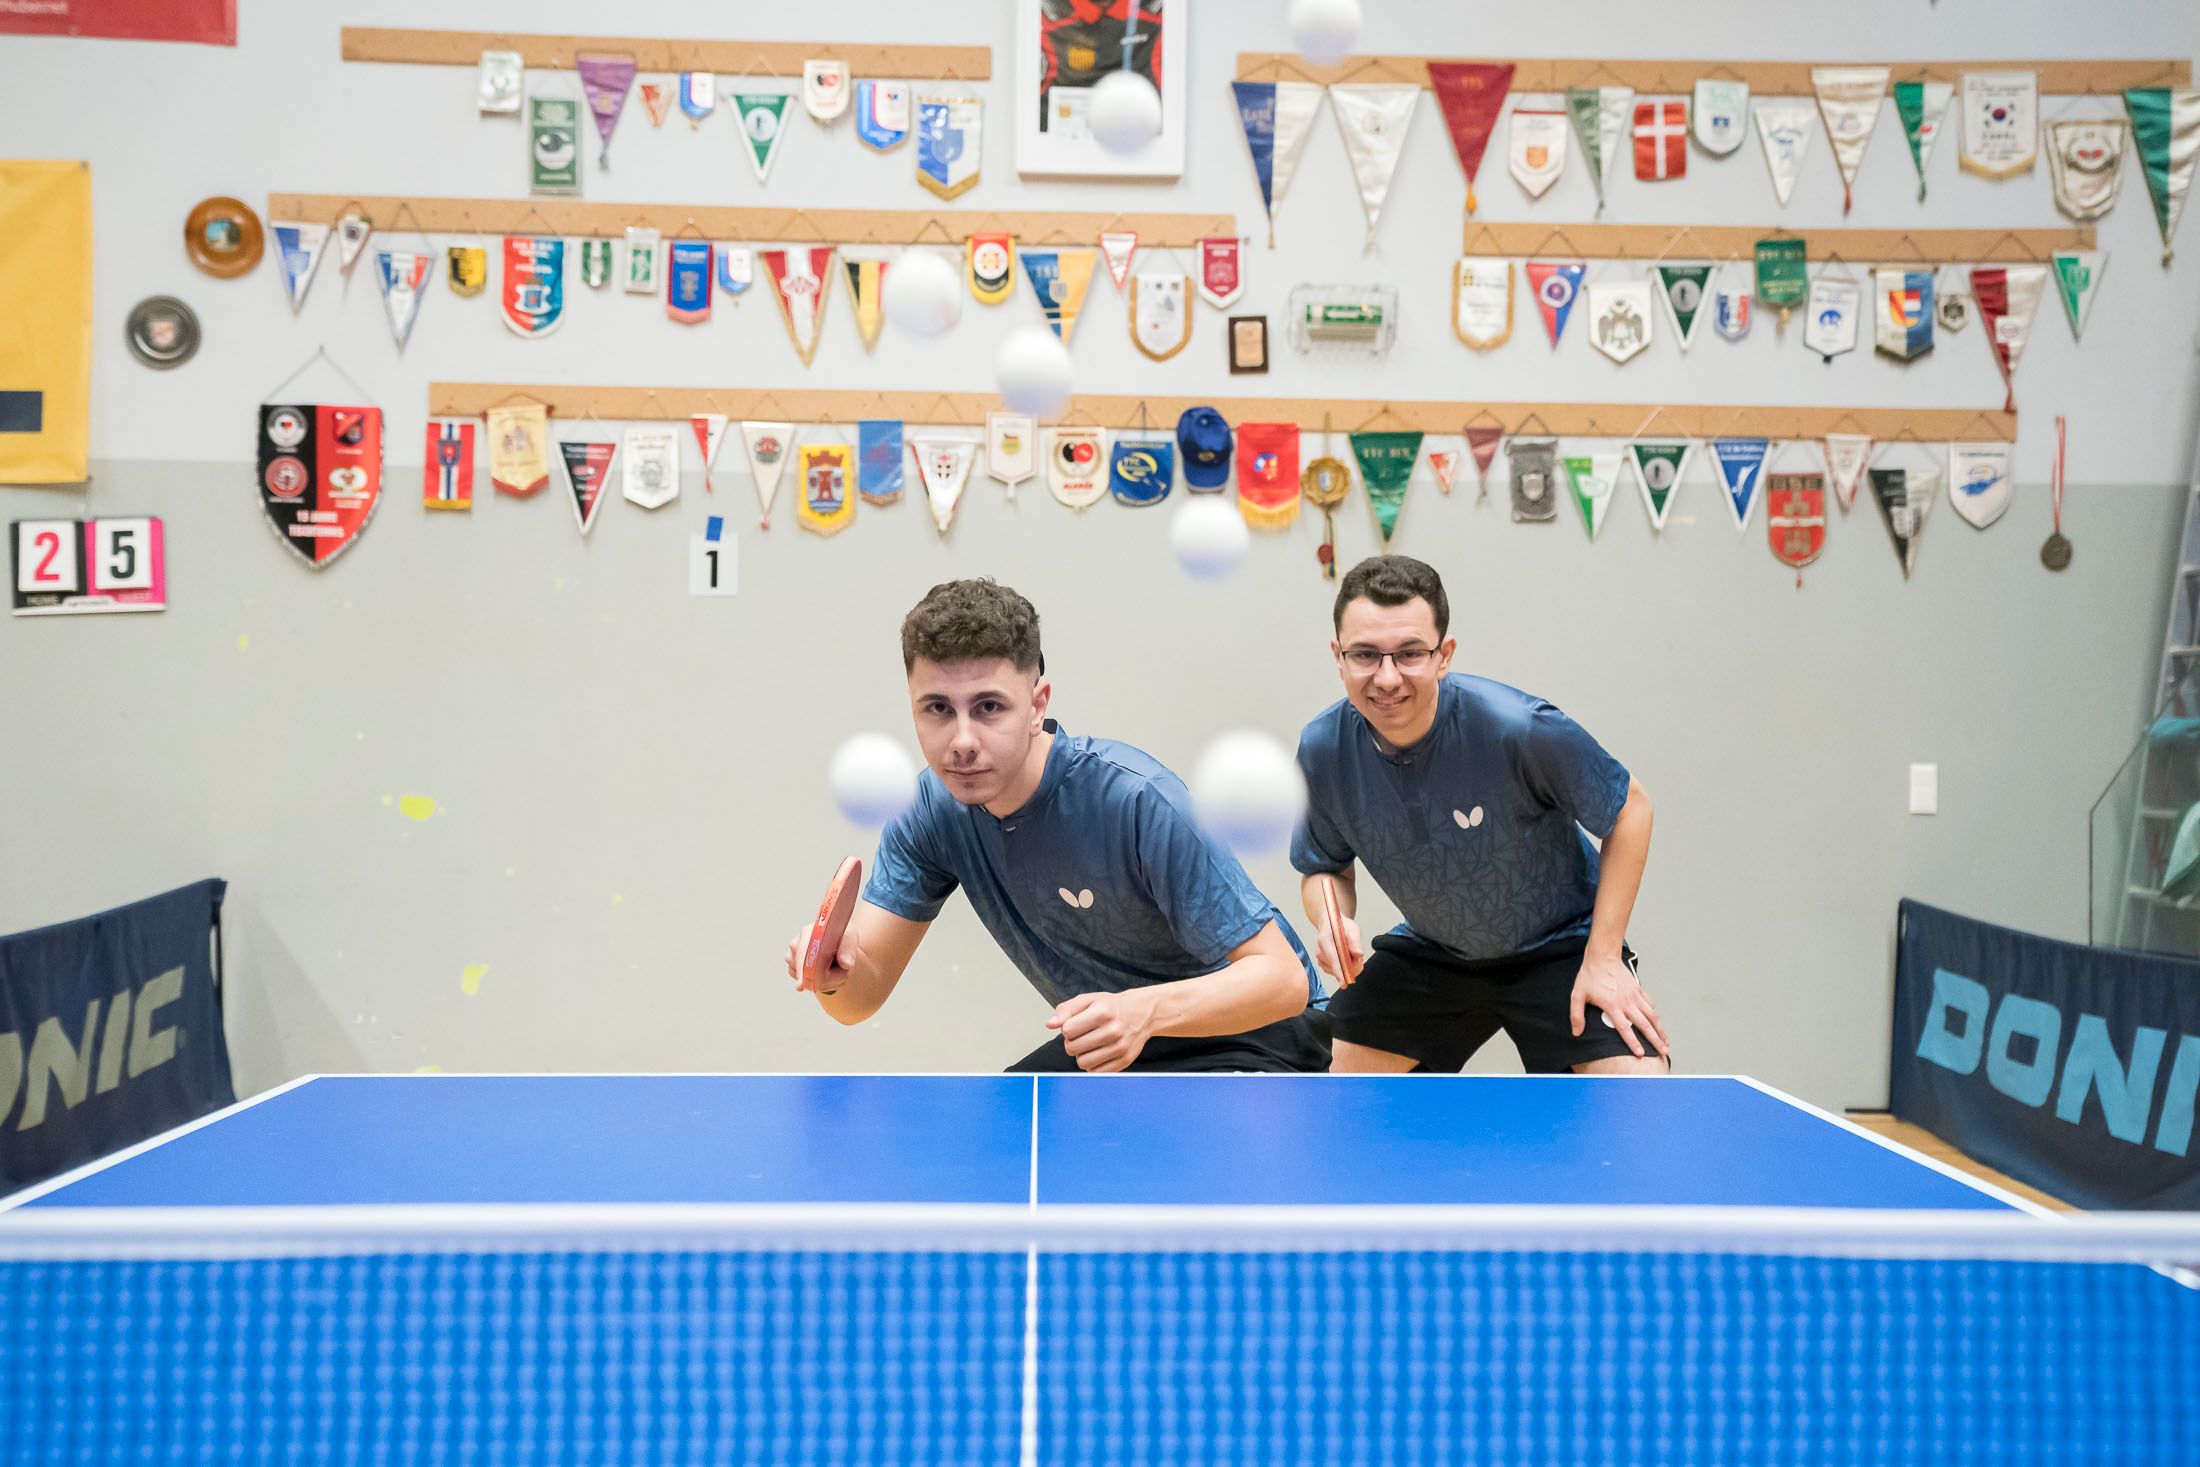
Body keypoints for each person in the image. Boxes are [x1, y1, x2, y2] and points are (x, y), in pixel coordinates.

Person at [785, 577, 1328, 1073]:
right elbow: (859, 1003)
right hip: (1127, 1043)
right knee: (1001, 1144)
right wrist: (834, 973)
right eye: (937, 709)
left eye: (990, 707)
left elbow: (1284, 982)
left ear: (1037, 704)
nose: (963, 740)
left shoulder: (1135, 800)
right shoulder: (929, 810)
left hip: (1261, 1039)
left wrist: (1144, 1011)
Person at [1291, 555, 1669, 1074]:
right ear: (1338, 656)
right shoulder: (1322, 749)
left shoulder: (1519, 729)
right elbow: (1324, 867)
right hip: (1434, 952)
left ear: (1444, 655)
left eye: (1409, 654)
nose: (1386, 677)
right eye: (1364, 655)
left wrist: (1603, 956)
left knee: (1635, 1104)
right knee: (1340, 1102)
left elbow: (1631, 810)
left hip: (1563, 946)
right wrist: (1332, 920)